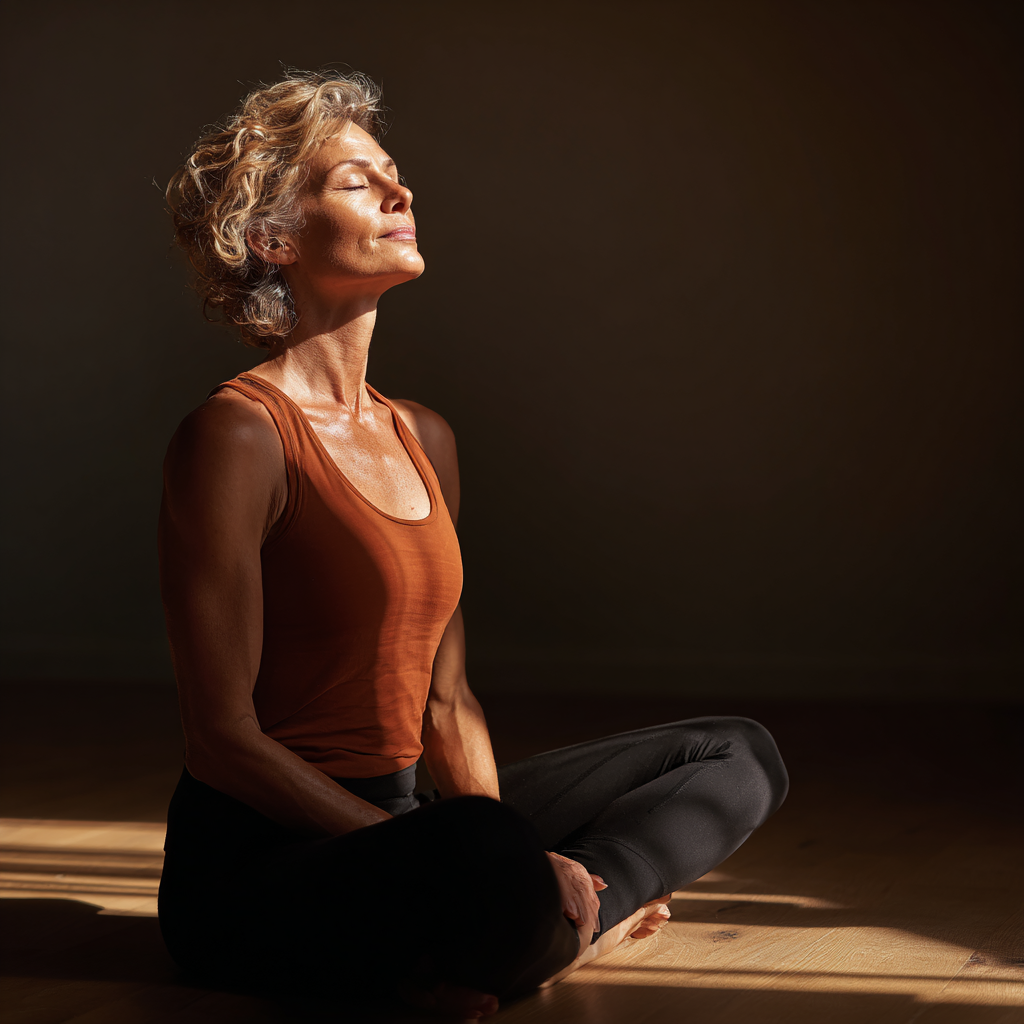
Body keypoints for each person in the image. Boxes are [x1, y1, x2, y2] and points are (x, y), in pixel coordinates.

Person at [156, 69, 789, 1018]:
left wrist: (504, 848)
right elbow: (222, 742)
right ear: (272, 239)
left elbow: (447, 701)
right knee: (478, 852)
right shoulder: (239, 437)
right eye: (356, 182)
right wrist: (468, 851)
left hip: (413, 828)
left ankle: (535, 923)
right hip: (262, 864)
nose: (400, 193)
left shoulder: (424, 436)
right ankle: (560, 925)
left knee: (735, 754)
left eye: (395, 174)